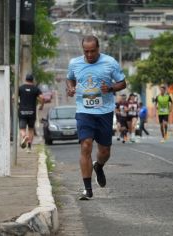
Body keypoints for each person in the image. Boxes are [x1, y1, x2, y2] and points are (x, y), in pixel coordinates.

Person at [66, 35, 126, 200]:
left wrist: (111, 88)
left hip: (104, 112)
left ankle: (98, 166)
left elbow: (122, 82)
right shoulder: (75, 63)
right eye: (86, 51)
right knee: (86, 145)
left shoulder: (110, 62)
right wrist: (70, 88)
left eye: (93, 51)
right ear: (83, 50)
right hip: (84, 111)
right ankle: (87, 189)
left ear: (98, 49)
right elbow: (69, 79)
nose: (90, 54)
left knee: (105, 151)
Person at [18, 74, 44, 153]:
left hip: (22, 111)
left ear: (25, 80)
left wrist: (17, 103)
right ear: (32, 80)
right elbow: (42, 98)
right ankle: (29, 147)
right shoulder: (35, 89)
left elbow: (13, 97)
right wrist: (41, 105)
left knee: (22, 128)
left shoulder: (21, 88)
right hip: (32, 112)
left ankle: (24, 136)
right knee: (31, 129)